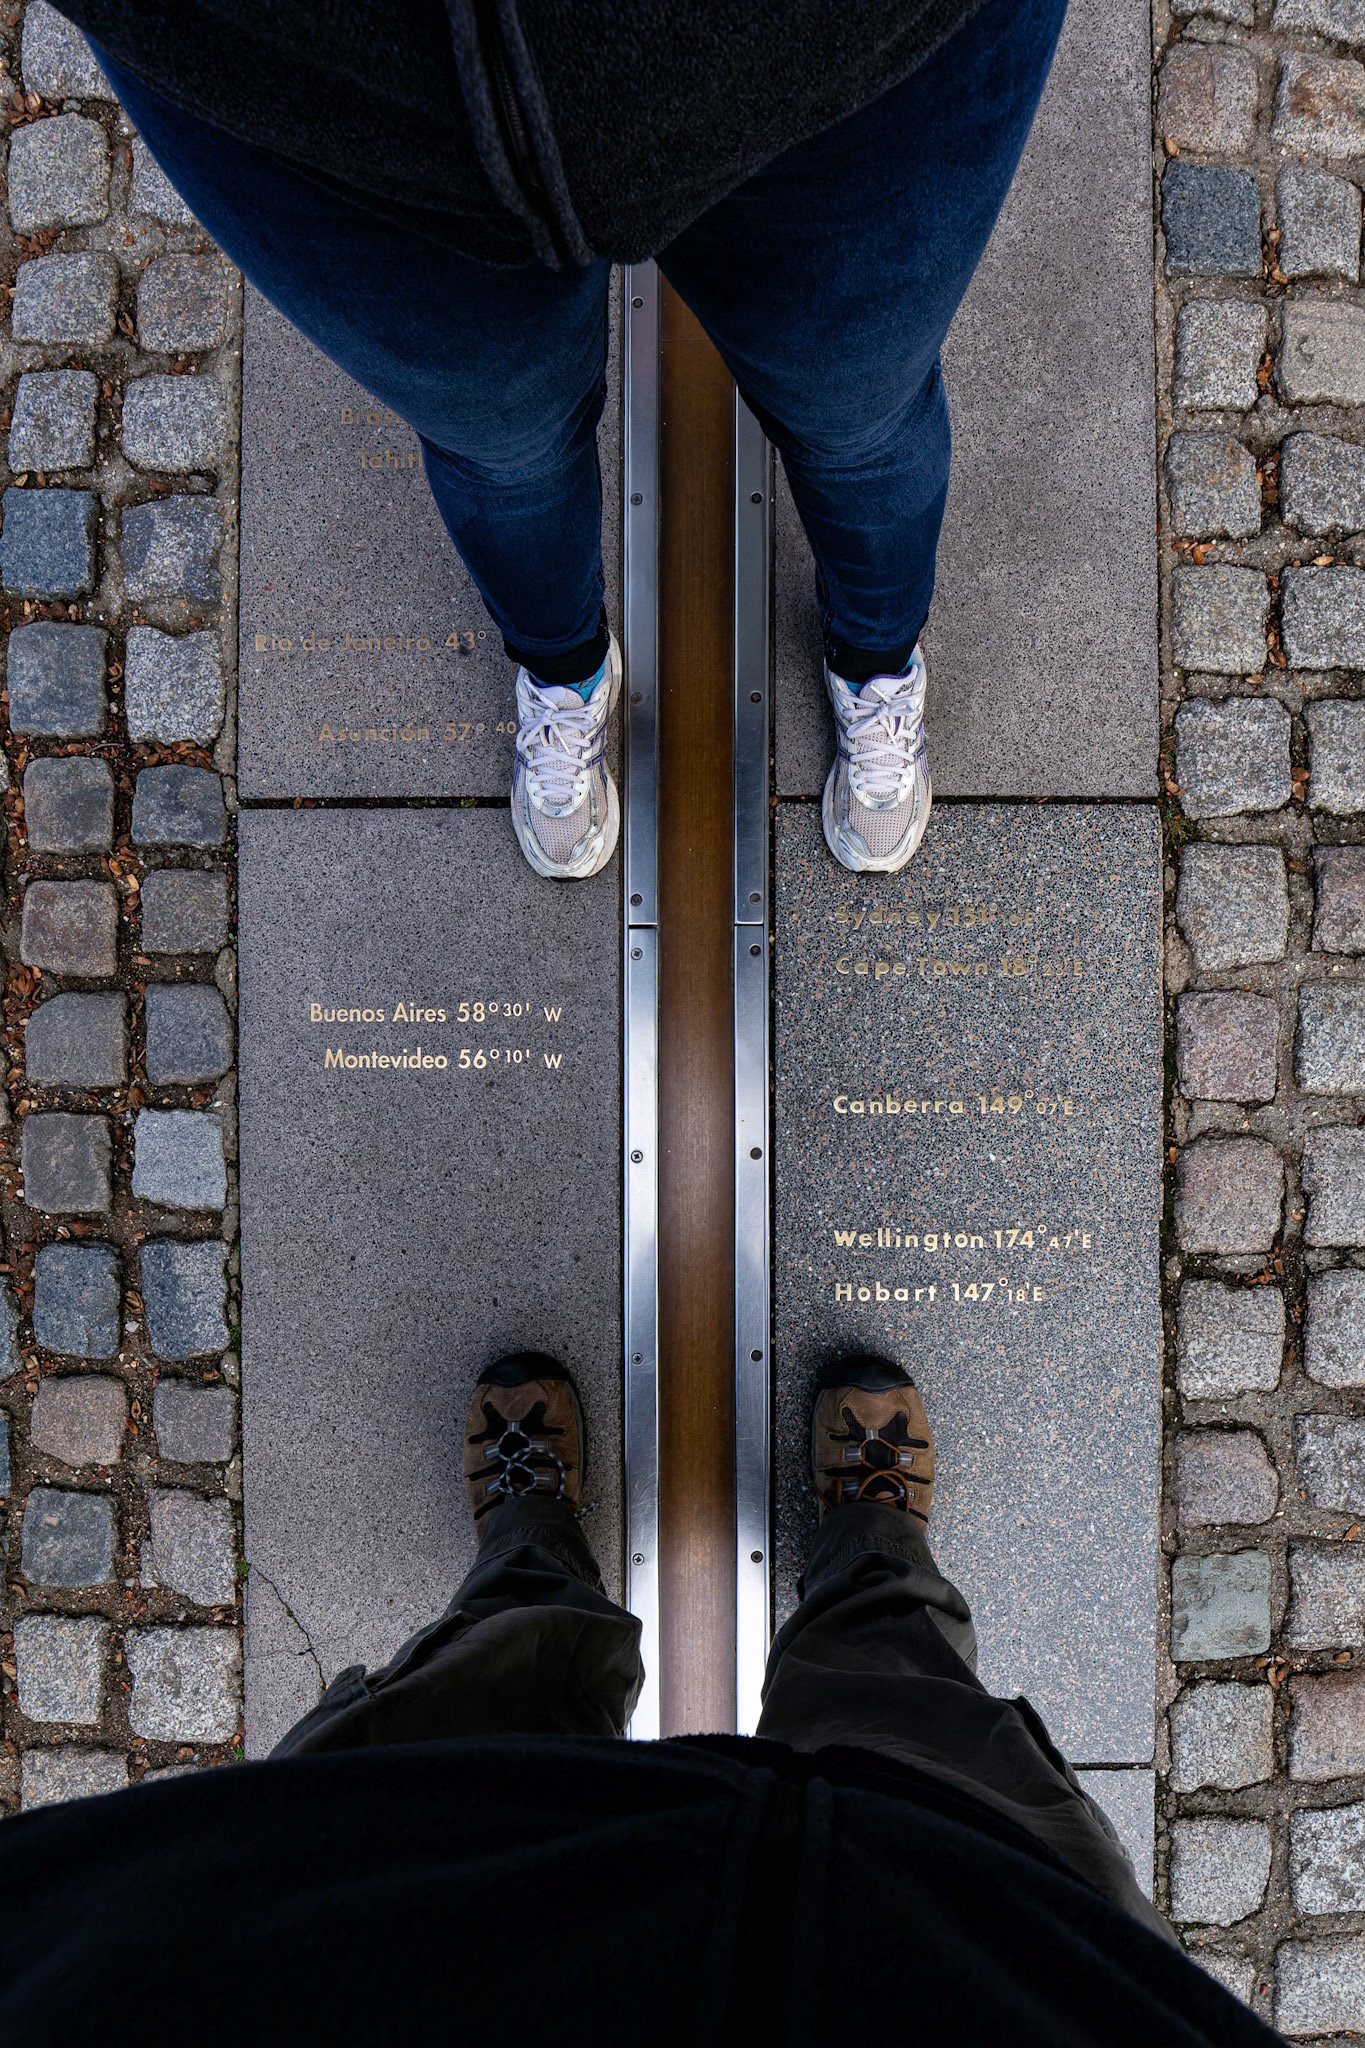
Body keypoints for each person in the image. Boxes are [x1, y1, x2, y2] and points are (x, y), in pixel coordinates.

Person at [57, 0, 1067, 880]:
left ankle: (876, 658)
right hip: (324, 103)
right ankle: (565, 669)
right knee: (502, 443)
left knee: (860, 412)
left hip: (852, 52)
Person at [2, 1353, 1281, 2044]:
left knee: (467, 1731)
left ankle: (533, 1556)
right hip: (973, 1972)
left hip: (404, 1969)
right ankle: (870, 1564)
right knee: (920, 1725)